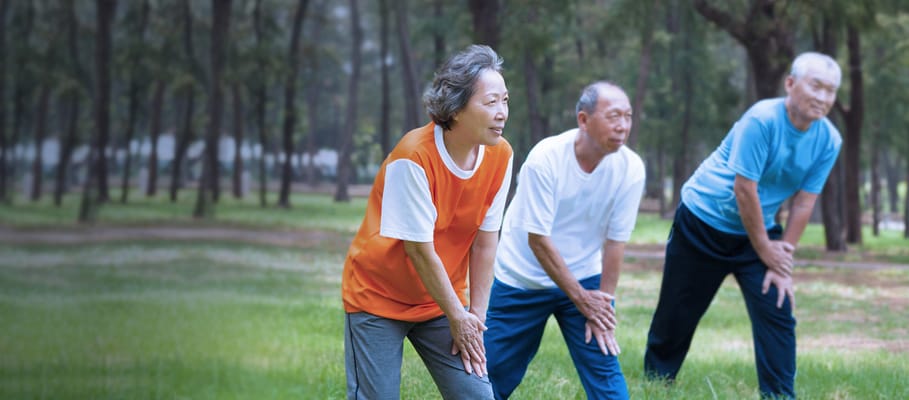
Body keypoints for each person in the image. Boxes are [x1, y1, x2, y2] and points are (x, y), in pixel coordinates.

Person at [643, 52, 843, 399]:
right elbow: (744, 188)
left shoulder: (829, 140)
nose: (823, 98)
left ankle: (780, 394)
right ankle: (656, 382)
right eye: (816, 86)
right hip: (703, 221)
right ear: (790, 84)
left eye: (831, 91)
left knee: (777, 307)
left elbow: (804, 201)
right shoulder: (762, 119)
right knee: (678, 310)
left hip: (758, 231)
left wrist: (783, 259)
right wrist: (766, 248)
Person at [341, 44, 513, 399]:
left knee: (478, 396)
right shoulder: (413, 156)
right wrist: (457, 315)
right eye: (490, 102)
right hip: (379, 296)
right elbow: (418, 250)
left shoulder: (501, 155)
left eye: (505, 101)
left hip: (439, 300)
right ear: (457, 107)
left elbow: (485, 242)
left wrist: (473, 318)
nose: (502, 113)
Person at [485, 81, 645, 400]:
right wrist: (582, 298)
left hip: (585, 277)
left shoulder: (631, 169)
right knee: (489, 377)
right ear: (583, 120)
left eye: (627, 116)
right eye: (613, 116)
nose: (623, 126)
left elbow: (616, 242)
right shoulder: (545, 159)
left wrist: (603, 304)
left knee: (605, 371)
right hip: (523, 277)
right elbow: (538, 240)